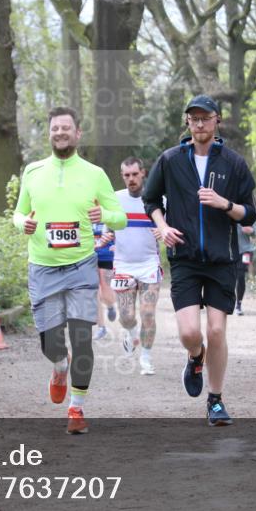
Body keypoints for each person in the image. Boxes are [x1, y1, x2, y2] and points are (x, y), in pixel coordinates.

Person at [142, 94, 256, 426]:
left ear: (217, 120)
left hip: (223, 259)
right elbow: (151, 199)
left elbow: (249, 212)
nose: (199, 124)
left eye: (205, 118)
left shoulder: (233, 163)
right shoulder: (171, 160)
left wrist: (224, 203)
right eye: (194, 119)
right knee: (191, 332)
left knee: (217, 331)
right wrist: (163, 228)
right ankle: (195, 357)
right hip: (186, 258)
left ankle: (216, 400)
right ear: (187, 123)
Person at [13, 106, 127, 435]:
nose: (60, 133)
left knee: (82, 338)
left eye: (66, 128)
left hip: (80, 266)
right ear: (49, 134)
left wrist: (102, 214)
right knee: (51, 343)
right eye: (55, 129)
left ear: (78, 134)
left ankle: (76, 408)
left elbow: (118, 216)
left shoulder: (95, 174)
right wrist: (25, 223)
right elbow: (18, 214)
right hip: (43, 267)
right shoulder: (33, 172)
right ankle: (59, 367)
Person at [110, 157, 163, 375]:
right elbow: (107, 226)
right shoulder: (115, 199)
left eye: (134, 174)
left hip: (149, 263)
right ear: (122, 176)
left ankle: (146, 359)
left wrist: (163, 230)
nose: (131, 179)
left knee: (148, 313)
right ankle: (131, 332)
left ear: (143, 173)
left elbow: (170, 226)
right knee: (126, 316)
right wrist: (105, 237)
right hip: (123, 264)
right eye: (126, 175)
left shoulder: (159, 200)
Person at [92, 223, 117, 340]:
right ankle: (101, 327)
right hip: (89, 257)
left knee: (106, 294)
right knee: (94, 292)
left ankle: (110, 305)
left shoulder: (110, 214)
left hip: (107, 257)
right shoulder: (84, 213)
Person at [234, 222, 256, 315]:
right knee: (229, 276)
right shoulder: (226, 210)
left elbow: (255, 233)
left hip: (246, 251)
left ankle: (238, 304)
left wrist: (251, 231)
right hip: (229, 251)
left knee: (240, 276)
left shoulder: (248, 213)